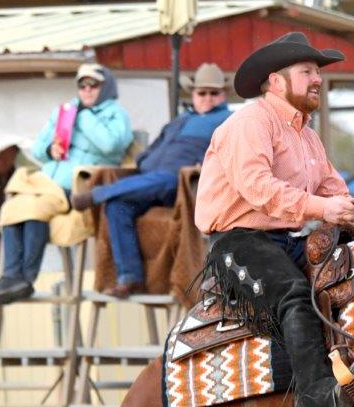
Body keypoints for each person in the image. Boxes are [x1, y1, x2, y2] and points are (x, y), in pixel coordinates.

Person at [194, 32, 354, 407]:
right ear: (276, 81)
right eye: (307, 71)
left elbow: (333, 193)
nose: (317, 79)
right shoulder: (249, 124)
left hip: (284, 237)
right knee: (293, 296)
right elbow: (257, 188)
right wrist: (326, 211)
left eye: (318, 72)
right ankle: (321, 402)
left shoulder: (307, 135)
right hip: (238, 242)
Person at [70, 63, 233, 298]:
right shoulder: (179, 120)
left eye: (213, 93)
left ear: (223, 95)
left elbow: (226, 155)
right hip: (149, 179)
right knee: (117, 206)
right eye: (202, 93)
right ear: (193, 94)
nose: (207, 98)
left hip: (184, 184)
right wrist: (144, 159)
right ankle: (130, 278)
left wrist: (201, 167)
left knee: (162, 178)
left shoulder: (229, 121)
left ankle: (97, 194)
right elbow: (153, 147)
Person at [0, 64, 133, 304]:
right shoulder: (65, 110)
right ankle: (12, 276)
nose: (86, 90)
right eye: (82, 85)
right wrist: (49, 149)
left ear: (105, 88)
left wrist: (82, 117)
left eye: (93, 85)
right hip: (49, 181)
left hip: (79, 185)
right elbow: (38, 148)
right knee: (12, 208)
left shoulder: (115, 113)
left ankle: (25, 278)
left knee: (34, 208)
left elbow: (111, 145)